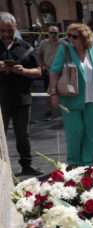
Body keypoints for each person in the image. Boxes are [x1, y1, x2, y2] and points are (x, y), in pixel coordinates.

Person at [49, 23, 93, 167]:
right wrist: (53, 93)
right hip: (70, 99)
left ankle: (88, 162)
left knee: (91, 133)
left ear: (84, 37)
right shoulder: (65, 50)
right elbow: (54, 71)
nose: (70, 39)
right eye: (68, 35)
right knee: (74, 132)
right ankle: (74, 161)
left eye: (74, 36)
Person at [0, 12, 43, 175]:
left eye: (9, 30)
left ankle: (26, 164)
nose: (5, 34)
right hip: (0, 101)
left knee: (23, 135)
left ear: (15, 28)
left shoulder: (26, 47)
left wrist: (24, 71)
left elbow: (39, 72)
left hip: (21, 99)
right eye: (2, 31)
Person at [37, 25, 66, 120]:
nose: (53, 35)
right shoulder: (43, 43)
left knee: (64, 91)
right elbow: (39, 55)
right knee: (48, 93)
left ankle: (65, 111)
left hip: (61, 72)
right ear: (48, 33)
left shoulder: (63, 43)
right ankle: (48, 111)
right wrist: (43, 67)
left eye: (55, 33)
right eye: (51, 33)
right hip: (48, 71)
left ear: (59, 33)